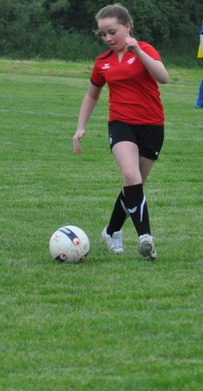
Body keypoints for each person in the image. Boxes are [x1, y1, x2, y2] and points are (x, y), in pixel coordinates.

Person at [72, 3, 169, 261]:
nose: (107, 38)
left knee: (134, 186)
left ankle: (112, 230)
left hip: (152, 126)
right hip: (120, 124)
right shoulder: (102, 62)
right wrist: (80, 127)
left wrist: (139, 52)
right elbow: (92, 95)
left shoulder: (145, 49)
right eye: (103, 34)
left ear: (127, 27)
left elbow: (163, 77)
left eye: (112, 32)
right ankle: (145, 238)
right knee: (130, 174)